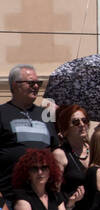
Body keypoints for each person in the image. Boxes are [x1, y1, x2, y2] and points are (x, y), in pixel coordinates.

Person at [0, 65, 57, 200]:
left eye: (38, 83)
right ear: (15, 86)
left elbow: (55, 148)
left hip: (41, 196)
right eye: (31, 83)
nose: (36, 86)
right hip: (10, 195)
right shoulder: (2, 113)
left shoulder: (45, 115)